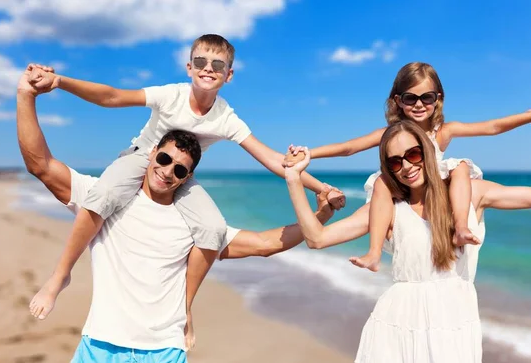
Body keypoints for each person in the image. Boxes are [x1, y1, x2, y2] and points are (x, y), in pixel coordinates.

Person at [17, 69, 334, 363]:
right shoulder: (103, 197)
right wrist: (26, 96)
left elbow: (265, 244)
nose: (167, 171)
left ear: (188, 177)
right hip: (99, 355)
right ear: (151, 153)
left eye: (179, 169)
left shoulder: (196, 225)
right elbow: (40, 164)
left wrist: (319, 215)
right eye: (164, 159)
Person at [26, 33, 346, 320]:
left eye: (217, 65)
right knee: (104, 195)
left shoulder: (226, 118)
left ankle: (185, 310)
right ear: (189, 67)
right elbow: (113, 96)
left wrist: (322, 187)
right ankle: (60, 275)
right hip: (144, 156)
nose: (208, 69)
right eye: (200, 62)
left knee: (211, 228)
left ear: (228, 75)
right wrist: (59, 82)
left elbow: (276, 161)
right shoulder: (172, 95)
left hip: (182, 174)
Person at [283, 113, 531, 363]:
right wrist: (294, 179)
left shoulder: (468, 194)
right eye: (395, 162)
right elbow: (317, 238)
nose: (406, 166)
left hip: (455, 326)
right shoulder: (386, 209)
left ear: (427, 150)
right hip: (399, 326)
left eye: (413, 154)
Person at [286, 61, 531, 271]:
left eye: (427, 98)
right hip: (400, 191)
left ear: (438, 99)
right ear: (398, 101)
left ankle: (459, 226)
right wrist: (310, 154)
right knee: (383, 183)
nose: (419, 104)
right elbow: (349, 148)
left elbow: (491, 127)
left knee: (460, 169)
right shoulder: (388, 136)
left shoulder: (445, 131)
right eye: (410, 98)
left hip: (439, 182)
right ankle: (373, 253)